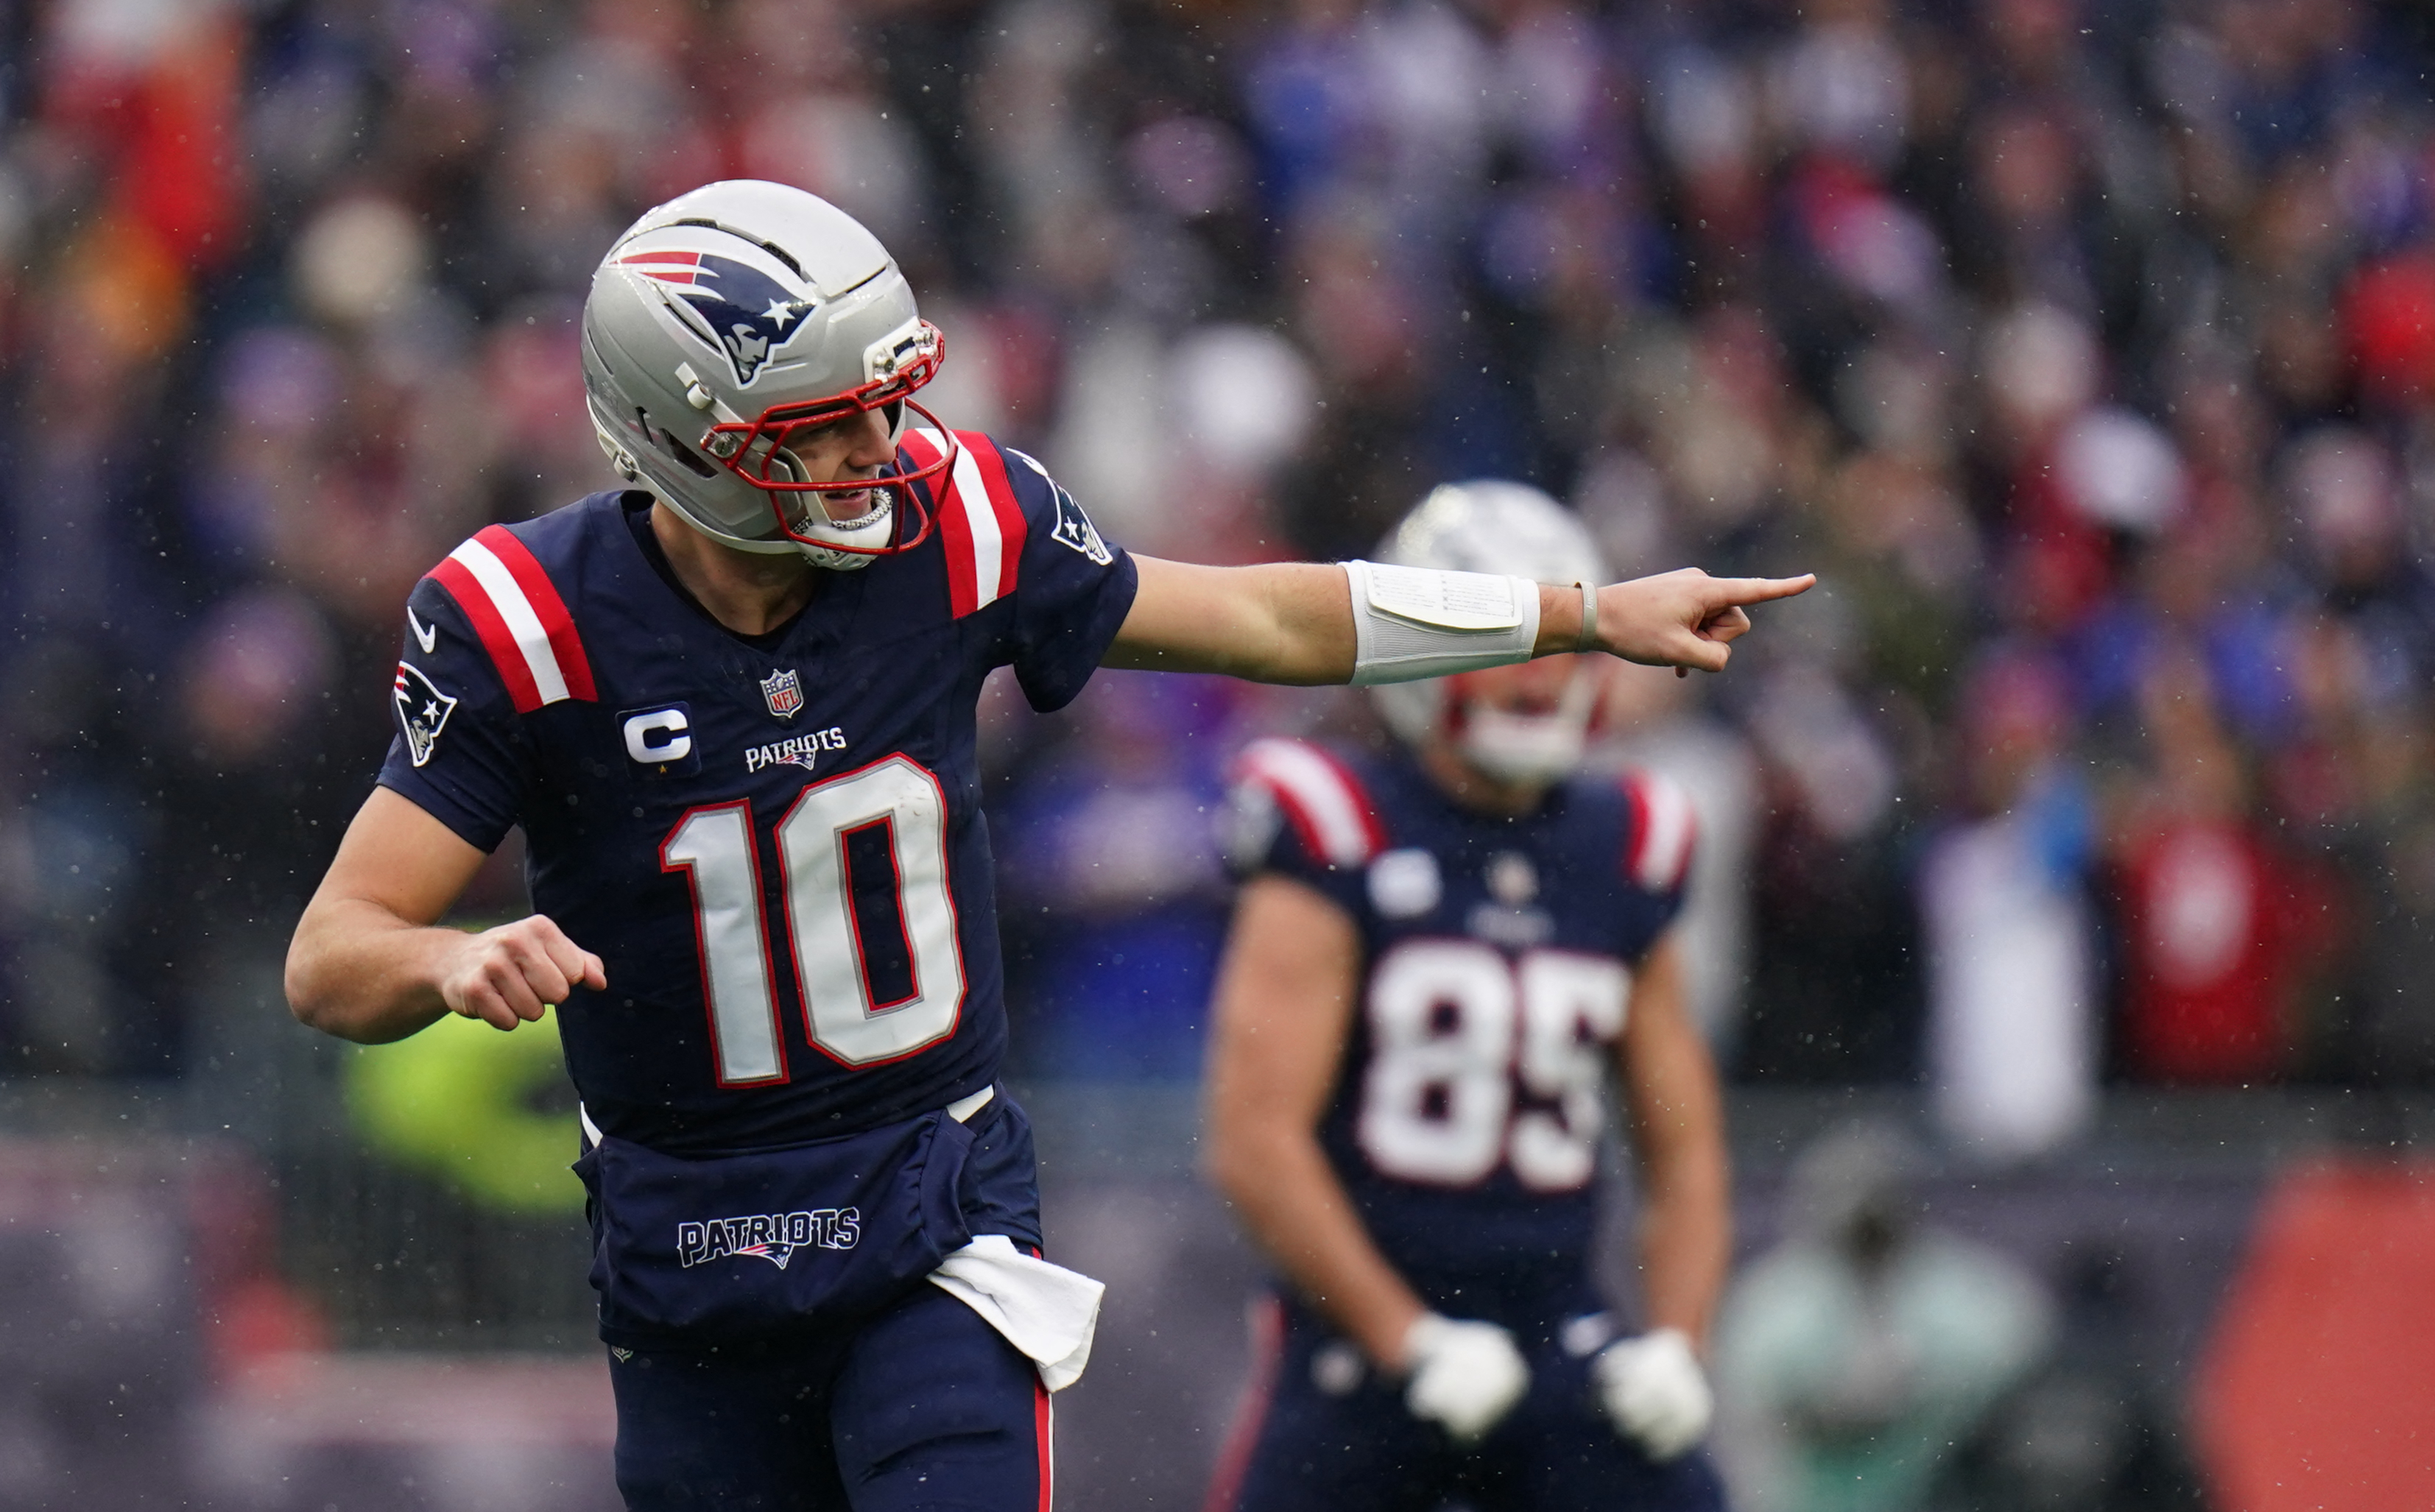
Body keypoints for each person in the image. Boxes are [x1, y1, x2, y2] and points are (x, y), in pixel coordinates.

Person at [281, 180, 1809, 1512]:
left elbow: (1265, 617)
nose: (883, 449)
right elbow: (332, 957)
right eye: (825, 430)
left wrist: (1578, 612)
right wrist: (450, 952)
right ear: (685, 441)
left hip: (928, 1208)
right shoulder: (525, 624)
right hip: (685, 1250)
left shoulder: (958, 524)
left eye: (886, 402)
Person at [1200, 481, 1734, 1512]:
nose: (1537, 681)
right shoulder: (1336, 820)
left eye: (1553, 646)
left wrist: (1677, 1341)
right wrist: (1408, 1334)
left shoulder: (1624, 839)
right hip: (1357, 1346)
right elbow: (1253, 1139)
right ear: (1422, 651)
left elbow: (1685, 1147)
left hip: (1560, 1330)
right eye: (1507, 644)